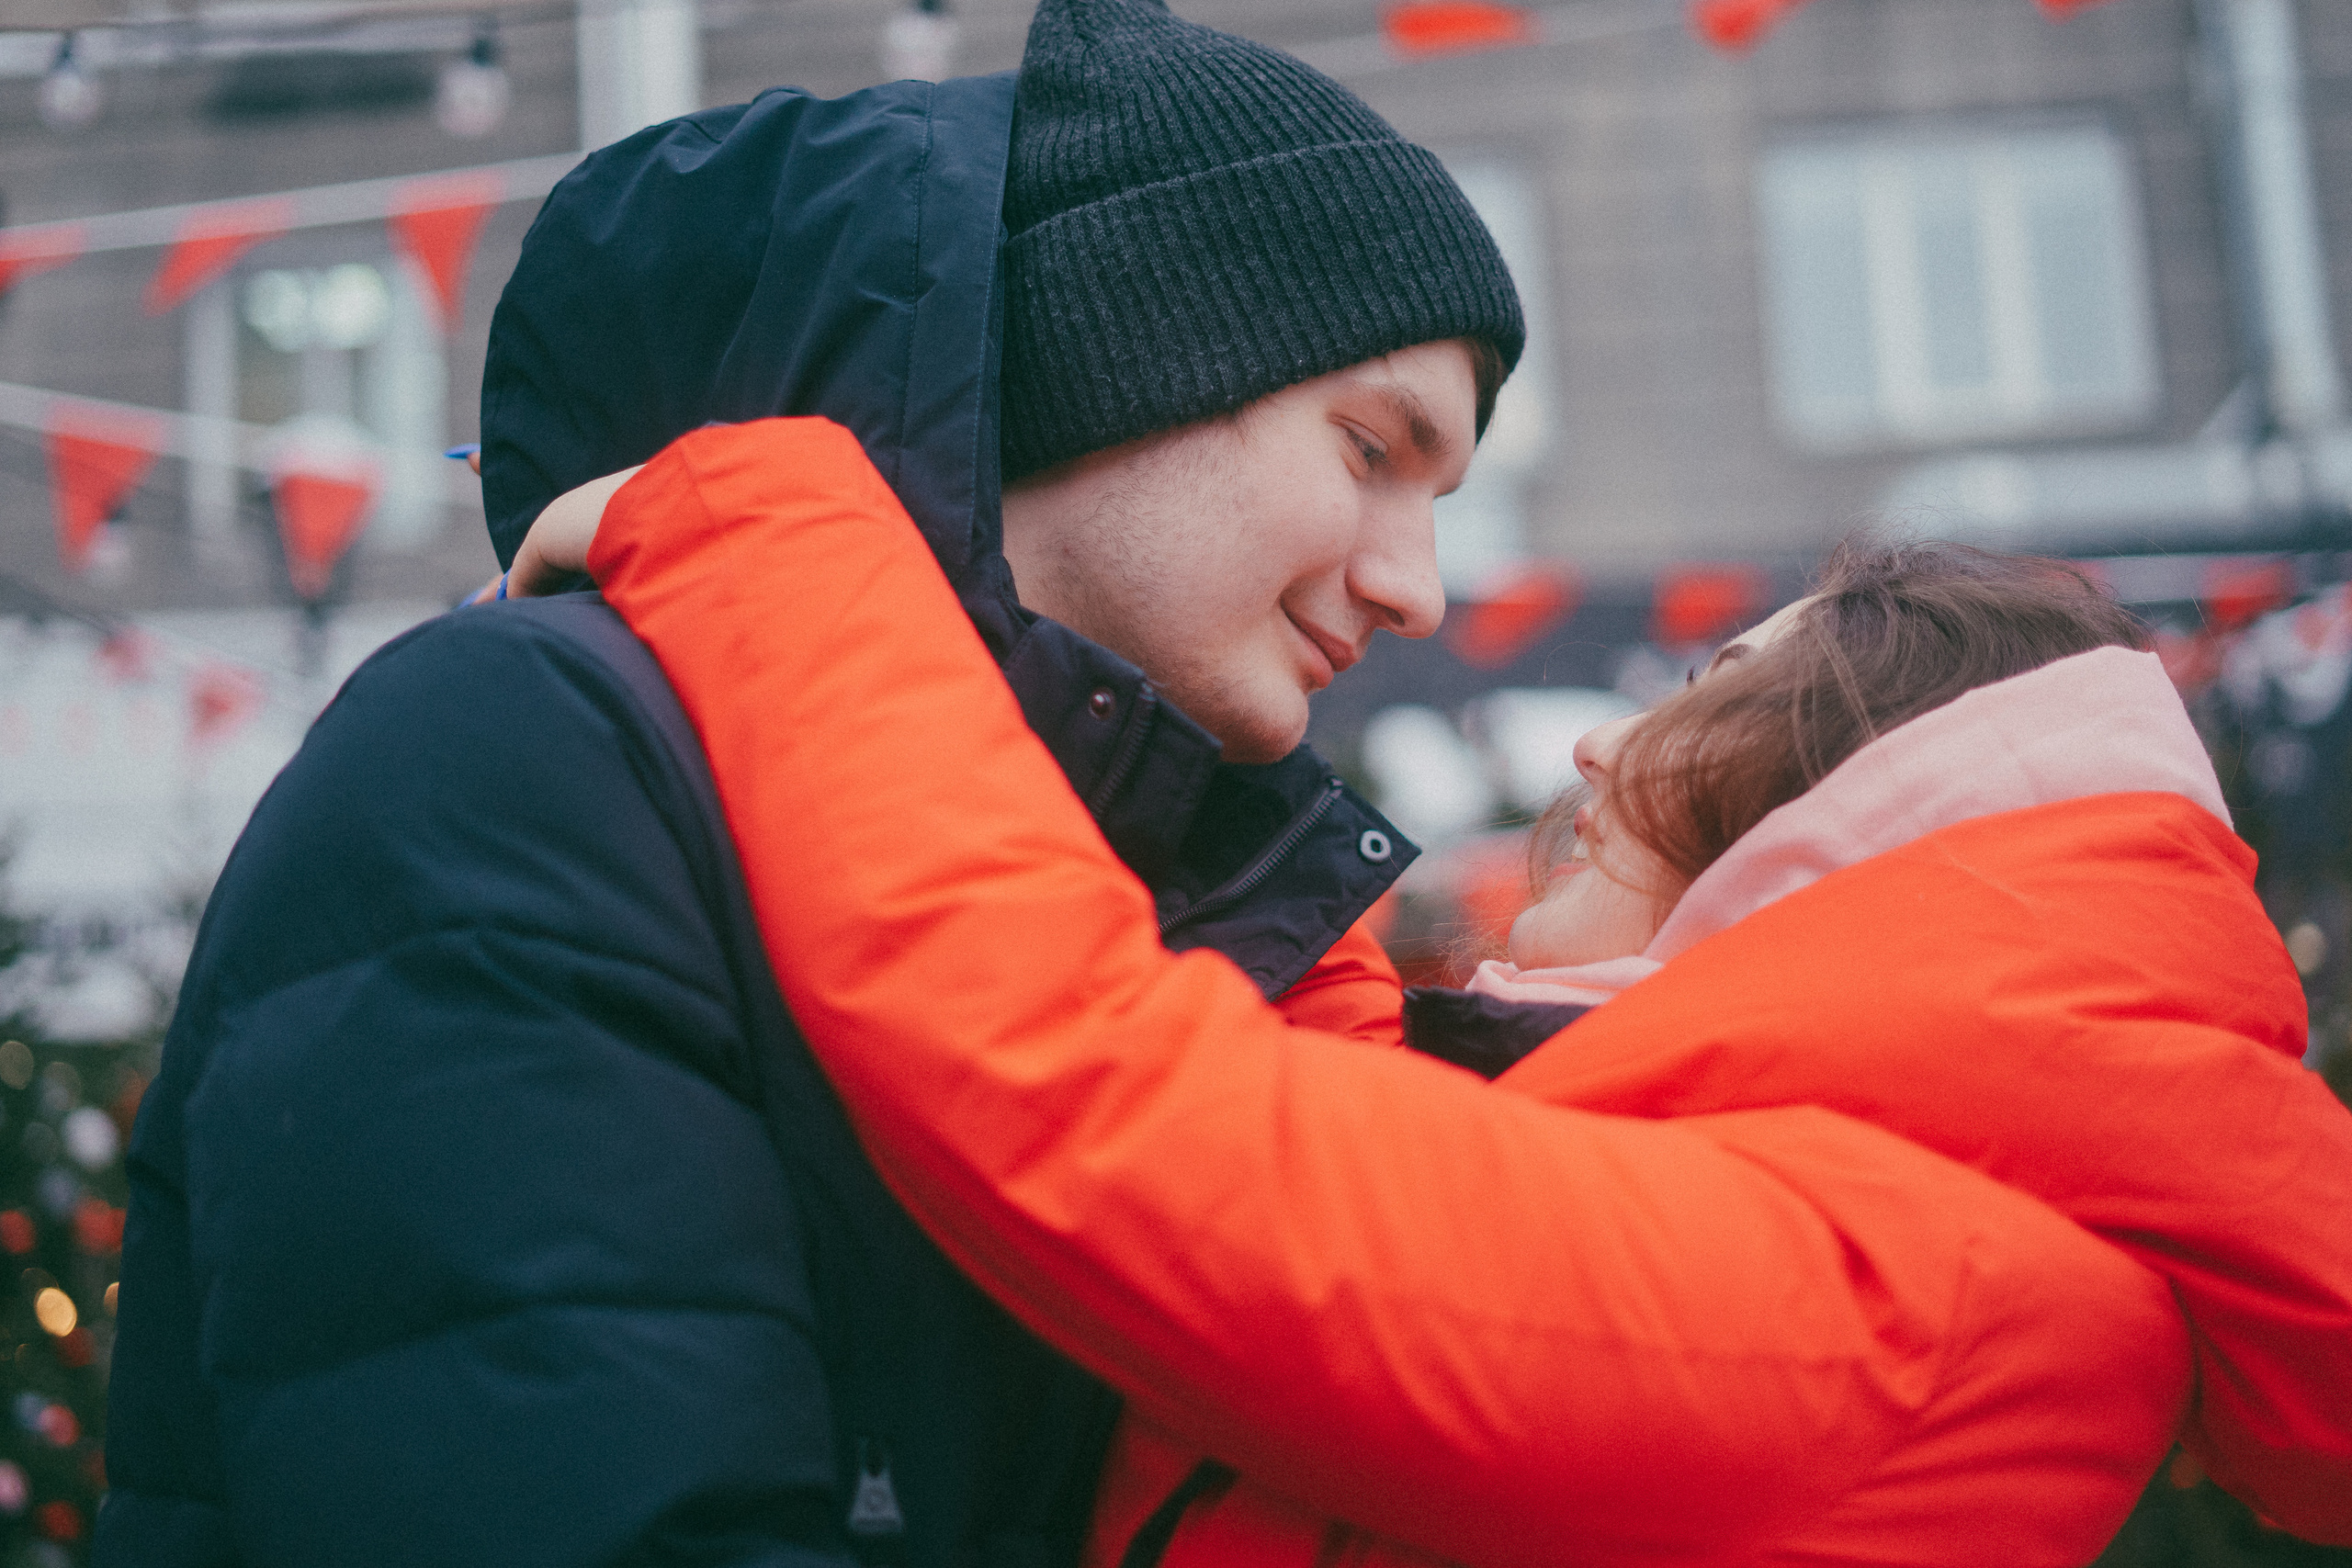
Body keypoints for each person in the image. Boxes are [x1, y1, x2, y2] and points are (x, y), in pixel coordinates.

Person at [96, 5, 1520, 1564]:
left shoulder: (1167, 901)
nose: (1418, 590)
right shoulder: (528, 762)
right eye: (1373, 450)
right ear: (1136, 359)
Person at [502, 424, 2352, 1567]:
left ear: (1855, 801)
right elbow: (1374, 1177)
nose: (1615, 734)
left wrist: (769, 526)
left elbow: (1138, 1134)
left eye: (1715, 683)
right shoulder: (1922, 1232)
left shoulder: (1940, 1296)